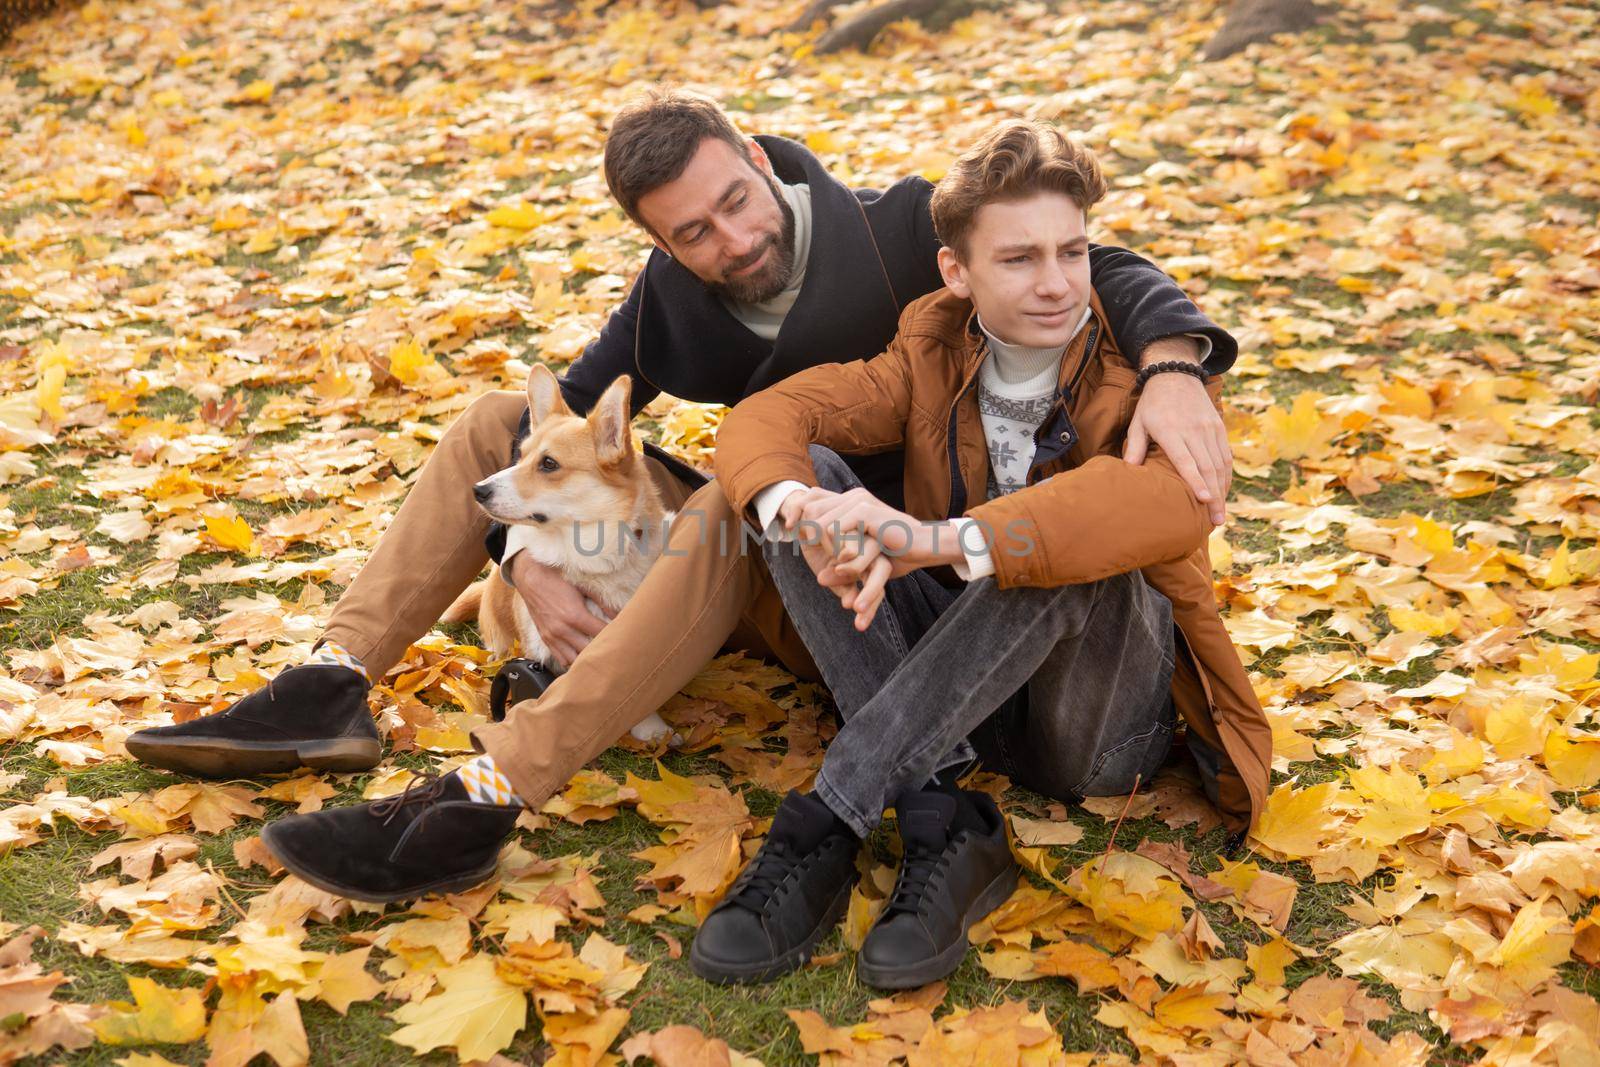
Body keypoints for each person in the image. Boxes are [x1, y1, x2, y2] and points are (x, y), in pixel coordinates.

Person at [132, 91, 1238, 904]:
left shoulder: (900, 230)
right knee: (490, 424)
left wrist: (1178, 359)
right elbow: (556, 422)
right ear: (658, 242)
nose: (732, 240)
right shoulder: (672, 300)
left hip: (920, 582)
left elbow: (1098, 261)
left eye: (736, 202)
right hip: (808, 550)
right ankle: (330, 680)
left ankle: (494, 785)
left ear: (761, 161)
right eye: (691, 233)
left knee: (726, 507)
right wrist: (525, 552)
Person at [683, 121, 1272, 988]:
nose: (1058, 284)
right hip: (960, 696)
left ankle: (834, 814)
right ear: (957, 273)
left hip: (1094, 725)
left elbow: (1175, 504)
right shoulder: (930, 345)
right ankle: (944, 809)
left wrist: (937, 541)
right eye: (1020, 259)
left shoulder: (1151, 369)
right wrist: (805, 509)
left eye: (1072, 253)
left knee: (1062, 537)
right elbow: (765, 420)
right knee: (800, 484)